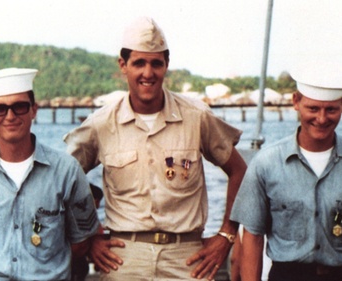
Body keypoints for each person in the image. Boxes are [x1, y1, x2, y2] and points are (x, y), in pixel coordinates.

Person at [63, 17, 247, 281]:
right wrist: (89, 237)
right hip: (123, 258)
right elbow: (62, 179)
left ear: (166, 65)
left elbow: (239, 171)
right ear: (123, 65)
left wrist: (226, 235)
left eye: (156, 63)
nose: (147, 73)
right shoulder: (101, 124)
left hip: (187, 259)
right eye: (139, 63)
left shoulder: (196, 117)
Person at [230, 61, 342, 281]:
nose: (321, 119)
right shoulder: (266, 163)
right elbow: (253, 236)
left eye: (331, 109)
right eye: (313, 108)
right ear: (296, 101)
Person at [0, 68, 100, 280]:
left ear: (34, 110)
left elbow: (81, 242)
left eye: (19, 106)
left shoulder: (66, 171)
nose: (10, 116)